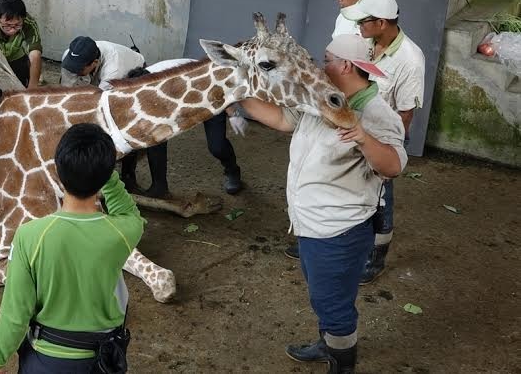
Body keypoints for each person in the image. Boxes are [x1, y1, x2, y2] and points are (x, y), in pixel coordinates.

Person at [239, 34, 406, 373]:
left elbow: (393, 166)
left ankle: (342, 363)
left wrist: (361, 136)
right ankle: (328, 344)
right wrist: (236, 94)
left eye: (326, 58)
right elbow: (283, 120)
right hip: (311, 224)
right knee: (323, 295)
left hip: (339, 232)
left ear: (346, 65)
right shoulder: (322, 96)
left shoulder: (376, 114)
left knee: (334, 303)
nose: (319, 64)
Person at [0, 123, 143, 373]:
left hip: (45, 360)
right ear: (103, 178)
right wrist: (108, 174)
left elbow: (16, 312)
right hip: (102, 361)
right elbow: (128, 211)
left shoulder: (29, 236)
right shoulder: (123, 232)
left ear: (57, 172)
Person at [285, 0, 378, 258]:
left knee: (372, 183)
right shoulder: (345, 18)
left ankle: (368, 249)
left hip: (354, 105)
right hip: (338, 101)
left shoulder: (368, 29)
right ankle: (310, 233)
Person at [341, 0, 425, 284]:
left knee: (381, 198)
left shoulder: (410, 60)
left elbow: (405, 115)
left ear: (382, 23)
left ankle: (376, 257)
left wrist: (389, 154)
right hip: (353, 129)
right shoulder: (364, 42)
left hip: (382, 137)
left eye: (364, 21)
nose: (359, 26)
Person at [119, 58, 243, 196]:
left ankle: (232, 171)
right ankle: (159, 186)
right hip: (181, 103)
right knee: (155, 136)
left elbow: (219, 84)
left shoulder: (177, 77)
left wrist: (233, 113)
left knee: (217, 146)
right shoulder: (143, 84)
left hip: (209, 97)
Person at [60, 36, 145, 90]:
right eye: (71, 65)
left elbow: (99, 100)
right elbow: (66, 90)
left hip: (136, 70)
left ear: (95, 62)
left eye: (79, 68)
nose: (74, 70)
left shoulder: (113, 71)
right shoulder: (68, 56)